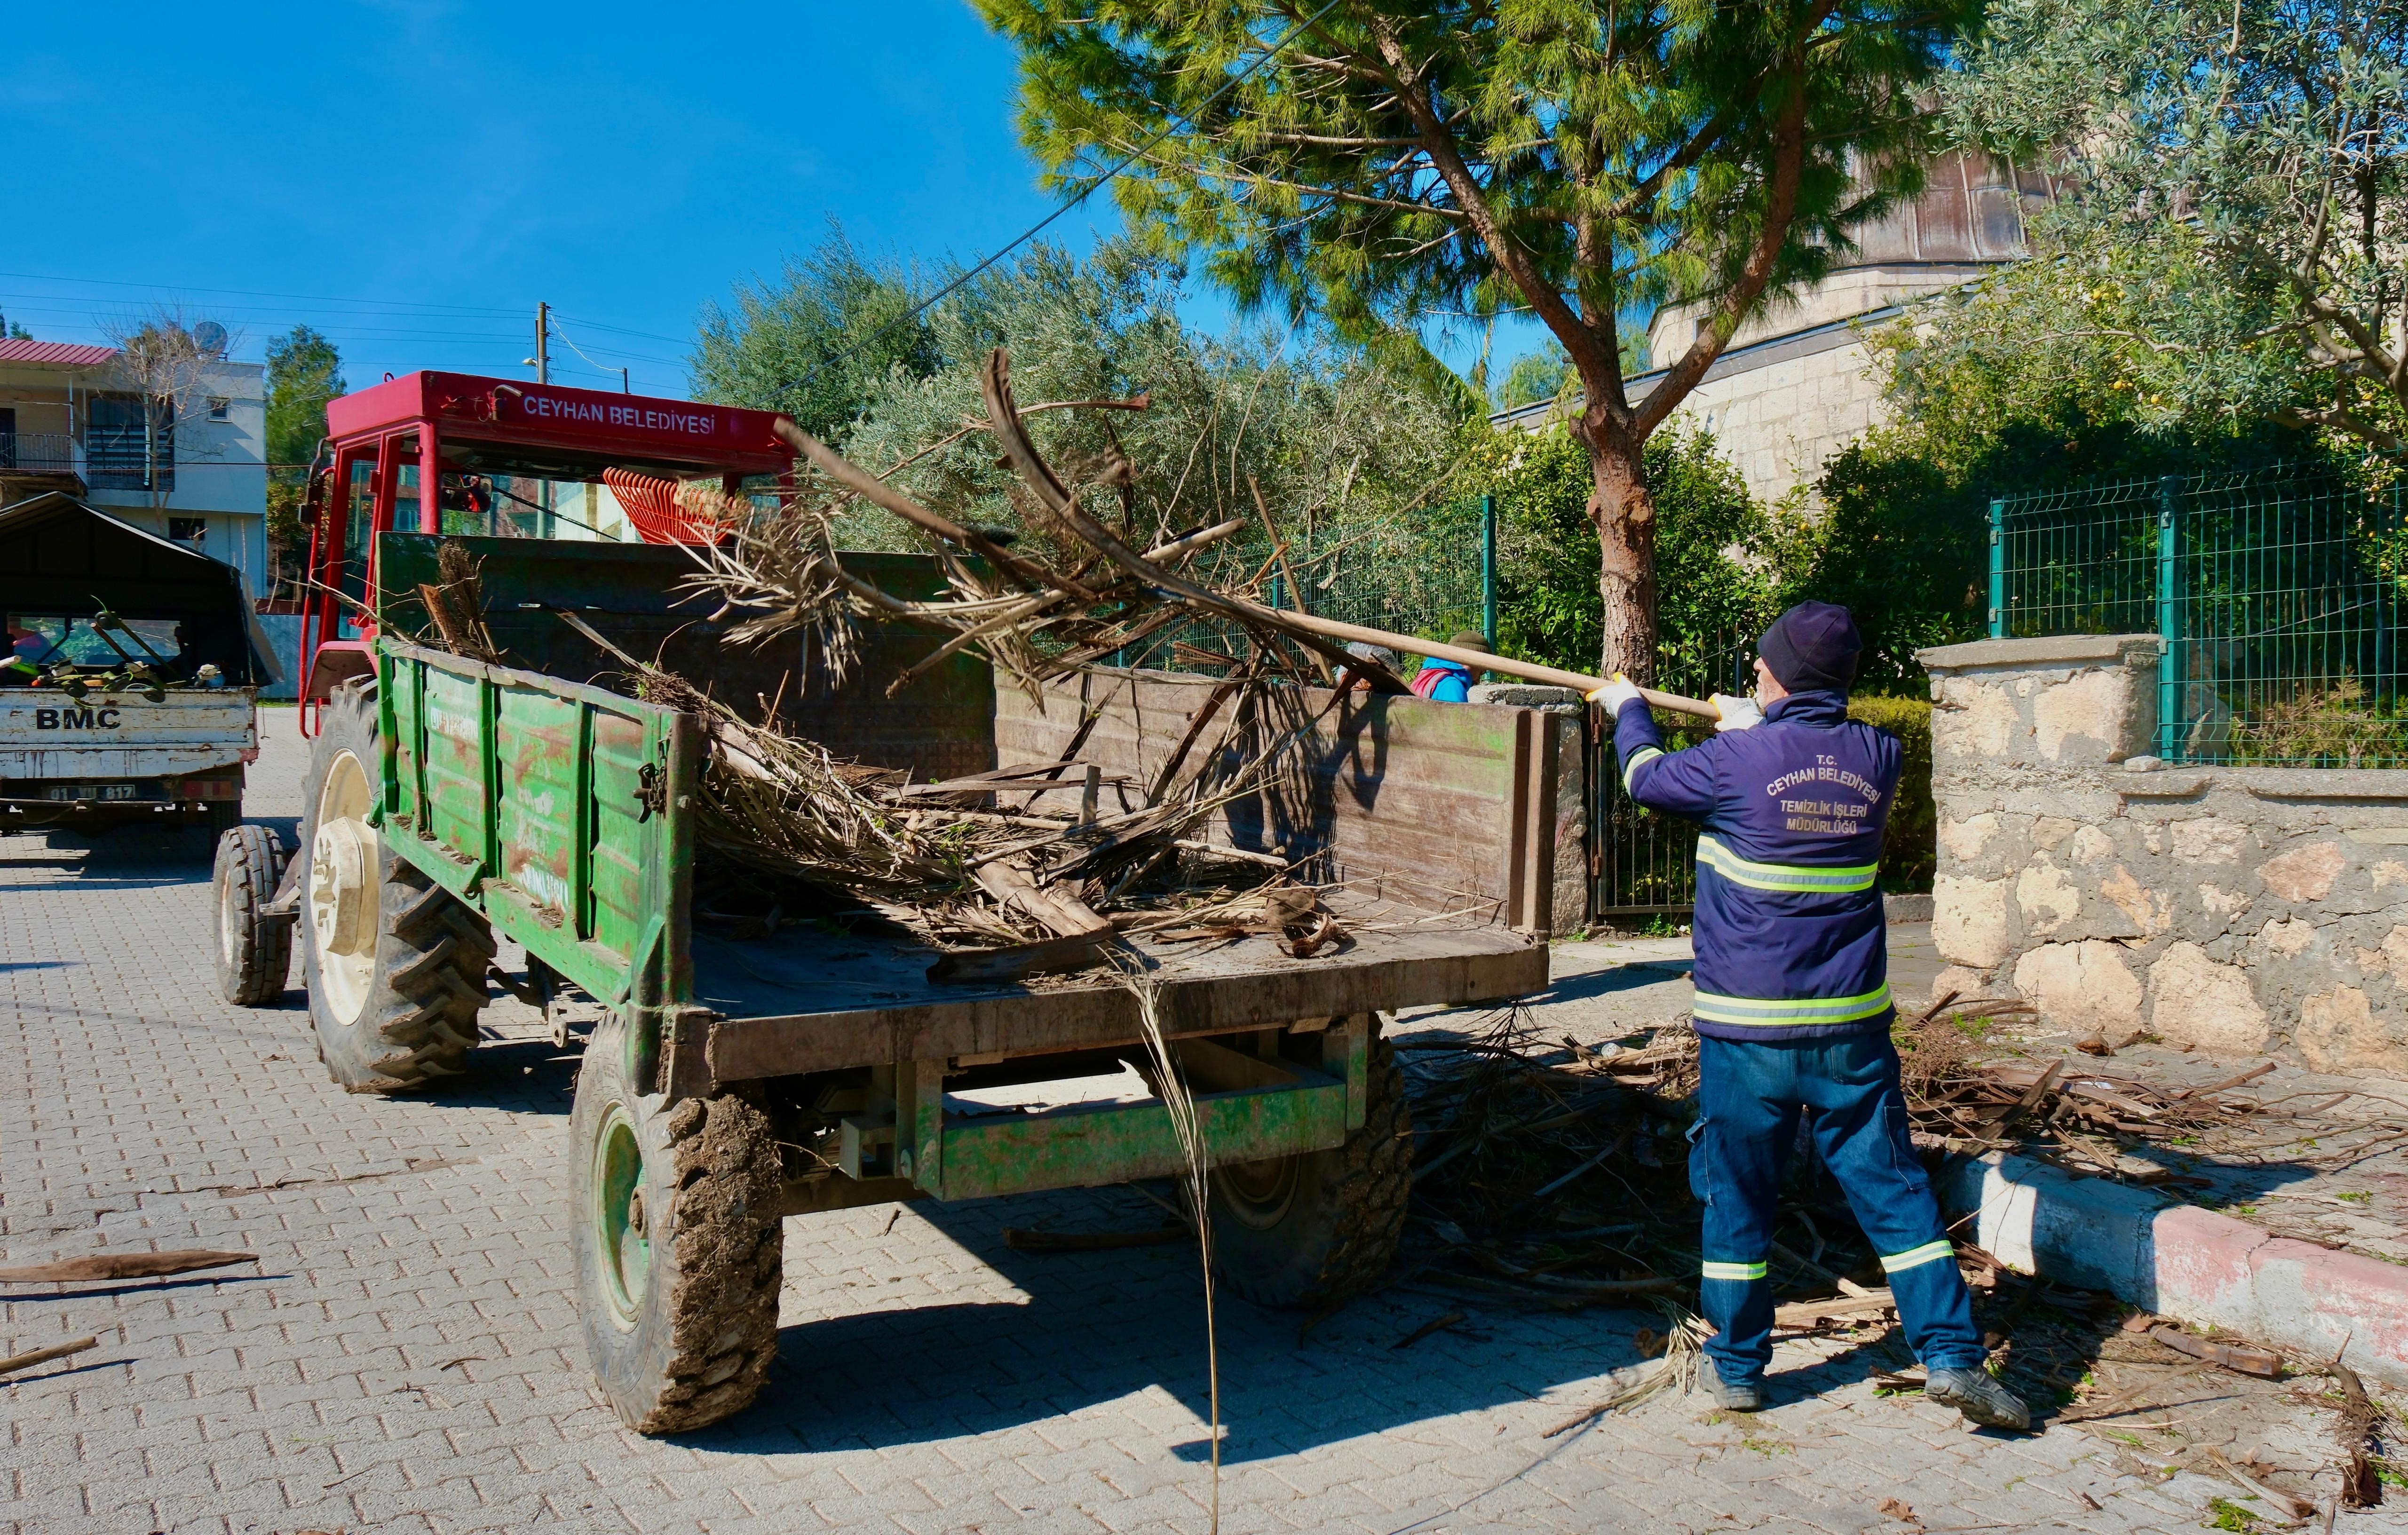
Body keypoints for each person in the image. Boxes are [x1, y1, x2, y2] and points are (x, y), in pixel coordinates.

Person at [1591, 602, 2029, 1429]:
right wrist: (1761, 723)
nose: (1754, 671)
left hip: (1747, 1035)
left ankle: (1737, 1368)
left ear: (1778, 673)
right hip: (1848, 1037)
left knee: (1738, 1199)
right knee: (1896, 1194)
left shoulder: (1736, 760)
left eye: (1762, 664)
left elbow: (1646, 778)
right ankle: (1951, 1355)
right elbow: (1803, 765)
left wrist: (1630, 708)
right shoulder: (1881, 757)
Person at [1411, 632, 1489, 701]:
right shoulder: (1452, 687)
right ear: (1472, 661)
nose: (1483, 672)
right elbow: (1458, 717)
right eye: (1483, 667)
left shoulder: (1427, 674)